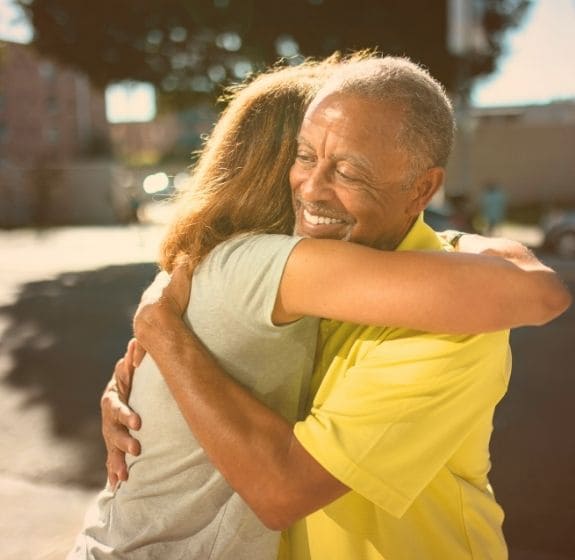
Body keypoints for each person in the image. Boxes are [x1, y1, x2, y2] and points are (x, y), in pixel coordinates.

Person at [97, 55, 571, 560]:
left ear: (421, 189)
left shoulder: (458, 319)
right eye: (304, 157)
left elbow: (283, 490)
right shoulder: (300, 270)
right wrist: (134, 386)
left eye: (346, 169)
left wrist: (163, 334)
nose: (311, 188)